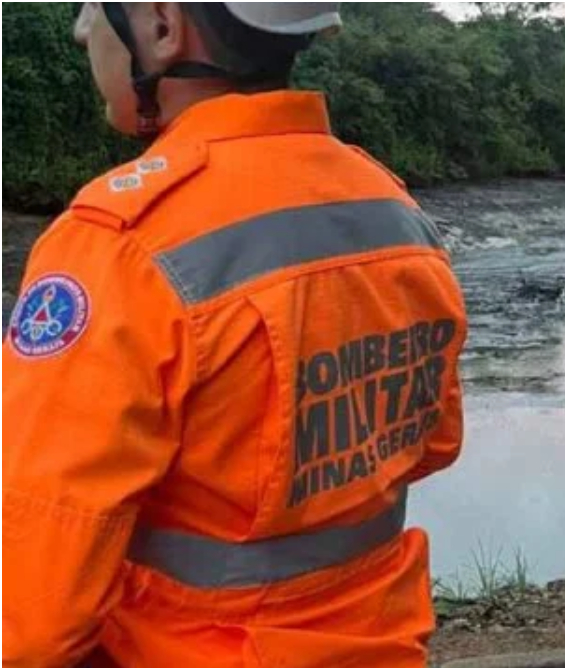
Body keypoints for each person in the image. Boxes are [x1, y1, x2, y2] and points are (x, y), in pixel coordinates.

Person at [2, 3, 467, 667]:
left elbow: (30, 616)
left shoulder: (120, 245)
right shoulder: (394, 212)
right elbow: (432, 444)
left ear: (163, 27)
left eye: (93, 7)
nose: (81, 30)